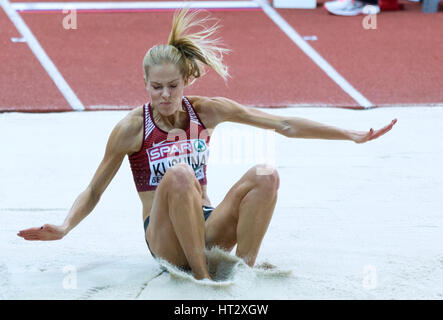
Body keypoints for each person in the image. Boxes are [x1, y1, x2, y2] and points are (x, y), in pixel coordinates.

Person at [17, 8, 397, 280]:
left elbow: (282, 124)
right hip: (164, 237)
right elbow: (94, 190)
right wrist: (65, 226)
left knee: (266, 174)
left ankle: (243, 269)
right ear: (145, 84)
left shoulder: (207, 111)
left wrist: (350, 134)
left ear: (186, 83)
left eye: (172, 86)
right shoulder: (131, 128)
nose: (164, 95)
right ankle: (202, 279)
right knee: (180, 173)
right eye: (156, 87)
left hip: (205, 223)